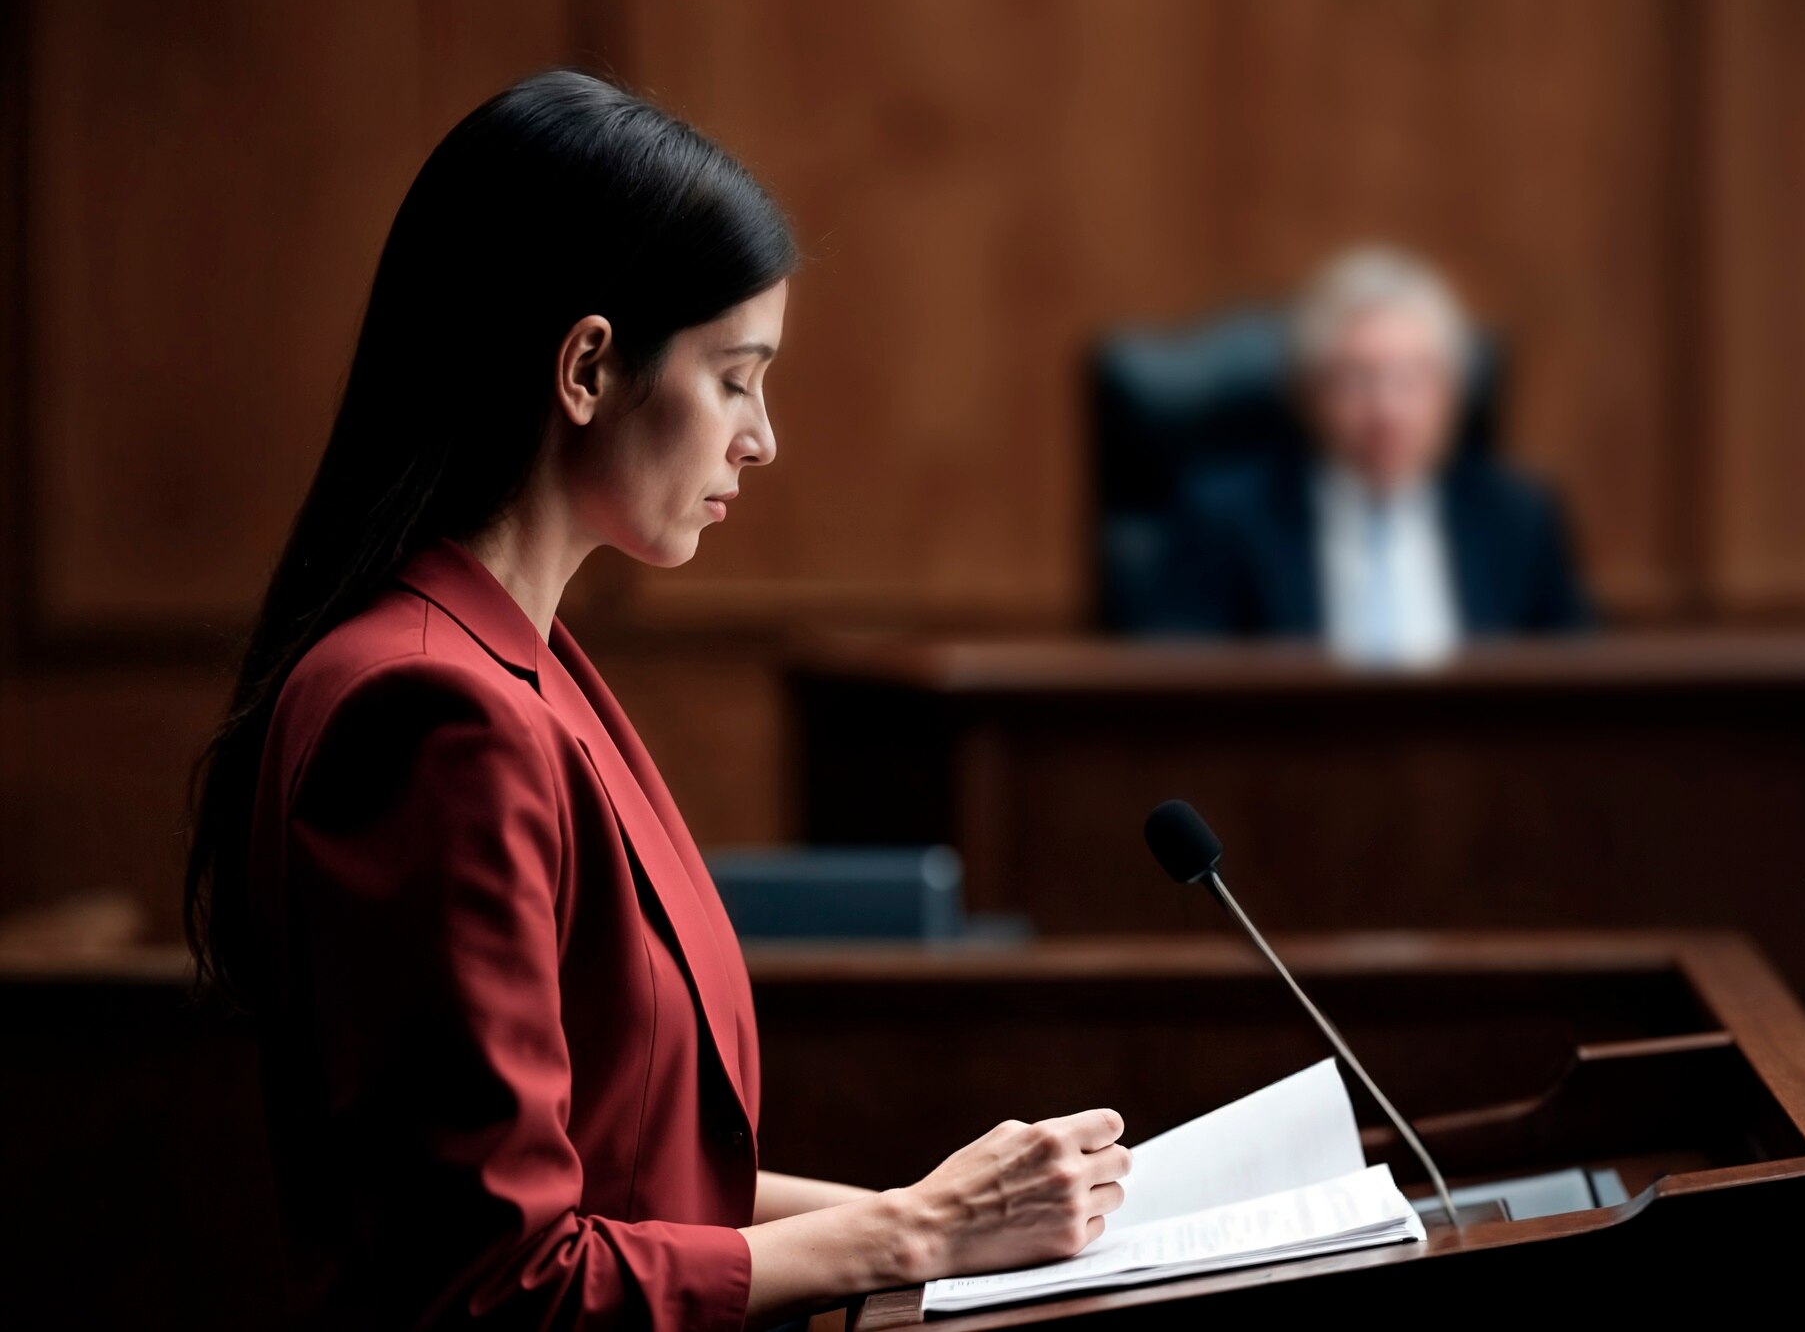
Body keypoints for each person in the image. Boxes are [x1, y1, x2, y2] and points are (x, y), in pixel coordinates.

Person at [181, 71, 1128, 1330]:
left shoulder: (524, 661)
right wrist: (911, 1228)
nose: (761, 436)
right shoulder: (431, 711)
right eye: (736, 376)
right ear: (584, 366)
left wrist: (954, 1224)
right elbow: (500, 1284)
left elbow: (644, 1187)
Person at [1146, 246, 1594, 662]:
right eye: (1357, 379)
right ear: (1310, 393)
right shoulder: (1227, 520)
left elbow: (1578, 691)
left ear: (1452, 393)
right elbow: (1177, 698)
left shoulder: (1517, 518)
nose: (1387, 411)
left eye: (1412, 379)